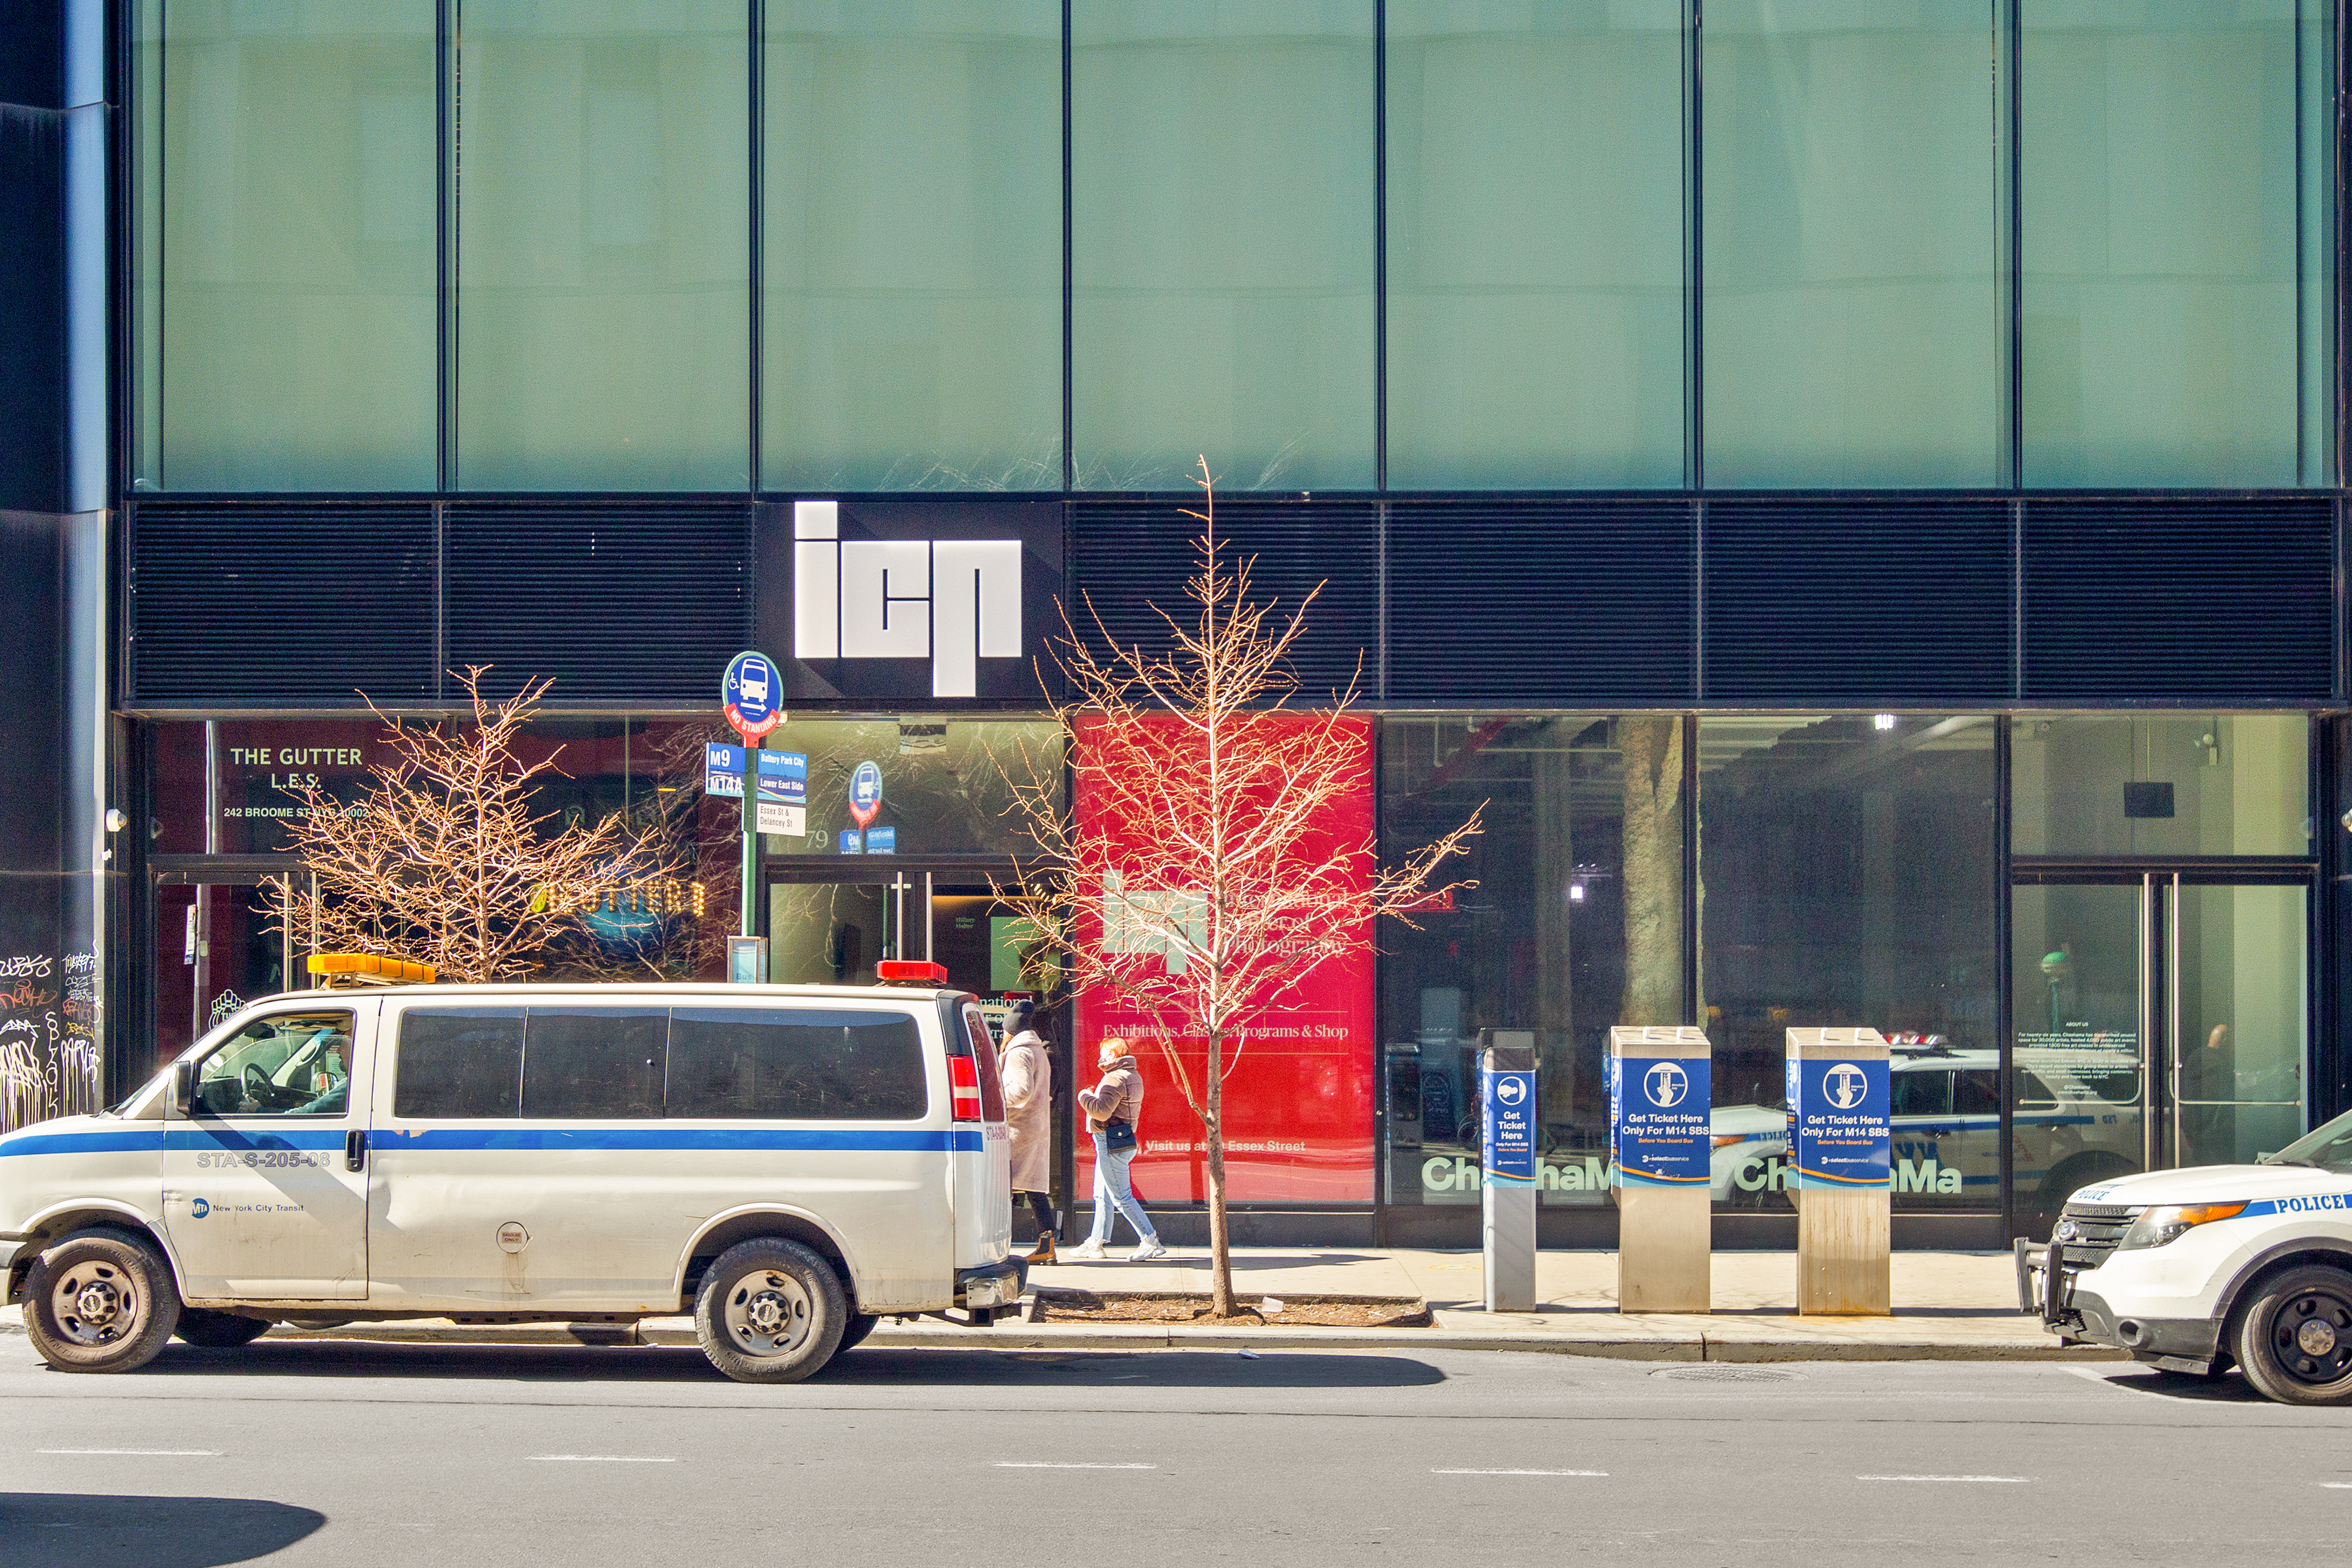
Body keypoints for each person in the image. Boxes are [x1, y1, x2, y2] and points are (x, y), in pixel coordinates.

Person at [1069, 1037, 1165, 1262]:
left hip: (1110, 1142)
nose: (1101, 1056)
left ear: (1113, 1055)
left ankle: (1150, 1240)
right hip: (1118, 1141)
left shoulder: (1116, 1078)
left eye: (1103, 1052)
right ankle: (1096, 1243)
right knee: (1101, 1195)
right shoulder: (1131, 1075)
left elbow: (1101, 1112)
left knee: (1121, 1197)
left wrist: (1084, 1095)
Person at [998, 1000, 1057, 1264]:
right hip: (1034, 1127)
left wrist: (995, 1099)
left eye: (1003, 1031)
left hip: (1017, 1129)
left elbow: (1021, 1089)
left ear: (1010, 1031)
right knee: (1034, 1189)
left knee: (1001, 1188)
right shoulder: (1037, 1050)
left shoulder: (1019, 1052)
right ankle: (1047, 1246)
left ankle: (995, 1246)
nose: (1002, 1035)